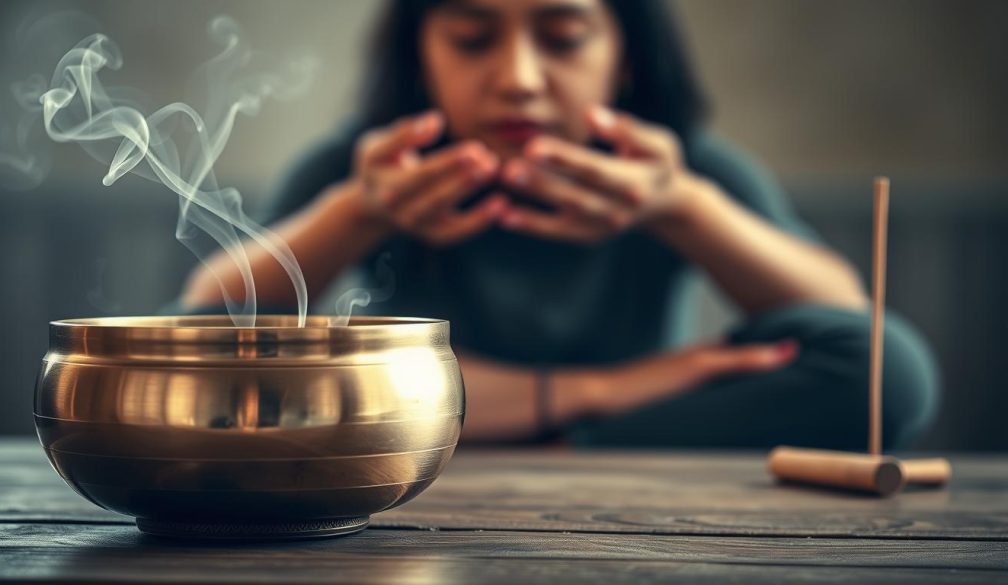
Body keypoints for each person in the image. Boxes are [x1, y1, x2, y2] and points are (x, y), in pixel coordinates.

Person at [179, 0, 939, 449]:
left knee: (891, 367)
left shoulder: (675, 168)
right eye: (474, 38)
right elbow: (202, 328)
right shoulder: (369, 167)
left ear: (625, 60)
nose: (518, 79)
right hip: (416, 456)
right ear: (421, 57)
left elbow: (850, 331)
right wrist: (358, 212)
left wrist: (681, 206)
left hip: (617, 455)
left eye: (564, 38)